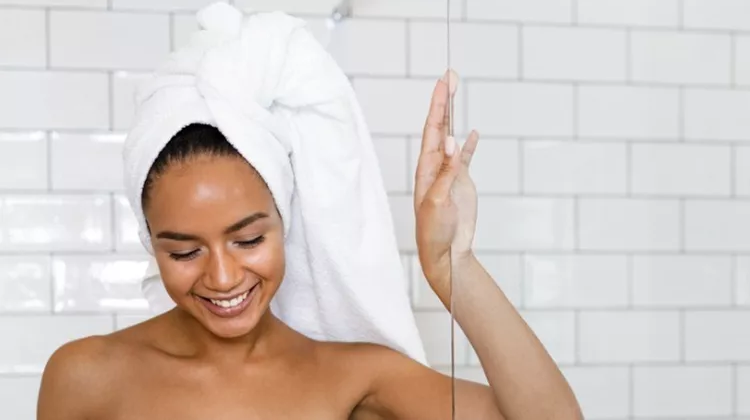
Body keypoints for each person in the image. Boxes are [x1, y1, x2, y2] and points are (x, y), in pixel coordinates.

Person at [36, 70, 582, 418]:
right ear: (148, 242)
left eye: (248, 239)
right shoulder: (87, 375)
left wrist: (451, 265)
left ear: (285, 222)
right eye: (184, 251)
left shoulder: (353, 377)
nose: (223, 277)